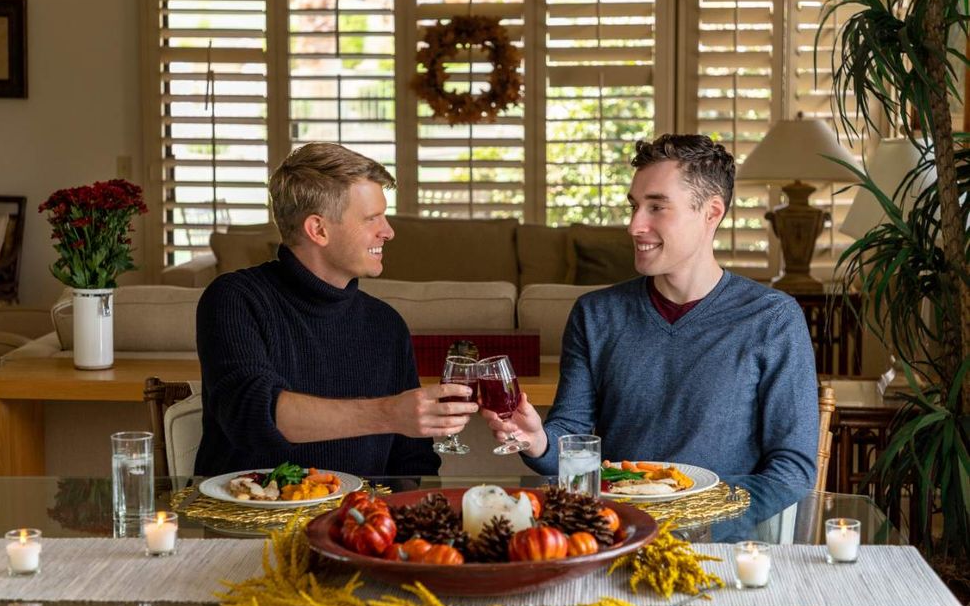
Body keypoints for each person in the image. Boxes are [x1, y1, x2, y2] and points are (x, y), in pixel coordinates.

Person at [482, 134, 819, 523]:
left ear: (711, 212)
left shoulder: (773, 319)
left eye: (656, 207)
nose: (634, 225)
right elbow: (572, 438)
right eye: (634, 206)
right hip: (615, 534)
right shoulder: (595, 315)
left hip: (718, 544)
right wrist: (539, 441)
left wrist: (697, 527)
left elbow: (791, 471)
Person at [194, 143, 477, 476]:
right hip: (249, 521)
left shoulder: (385, 324)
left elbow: (413, 462)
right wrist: (389, 413)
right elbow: (253, 415)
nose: (388, 232)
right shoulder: (235, 299)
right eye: (372, 218)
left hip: (359, 524)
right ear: (319, 230)